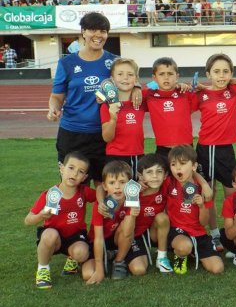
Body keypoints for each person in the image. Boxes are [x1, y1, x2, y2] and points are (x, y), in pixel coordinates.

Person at [48, 12, 140, 186]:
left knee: (104, 186)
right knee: (72, 187)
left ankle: (101, 214)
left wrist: (137, 87)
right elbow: (57, 96)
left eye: (103, 31)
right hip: (72, 133)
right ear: (83, 32)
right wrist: (54, 107)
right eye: (93, 30)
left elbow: (130, 78)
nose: (98, 35)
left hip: (104, 134)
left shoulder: (114, 61)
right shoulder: (67, 63)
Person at [196, 54, 236, 250]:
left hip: (227, 150)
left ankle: (232, 234)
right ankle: (214, 234)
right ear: (208, 74)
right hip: (206, 149)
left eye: (226, 71)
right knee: (209, 193)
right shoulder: (200, 95)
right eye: (216, 71)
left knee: (232, 194)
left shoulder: (234, 90)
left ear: (232, 74)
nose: (221, 75)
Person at [25, 152, 96, 289]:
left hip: (75, 236)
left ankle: (72, 259)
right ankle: (43, 269)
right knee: (49, 234)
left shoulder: (84, 192)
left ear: (84, 177)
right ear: (62, 168)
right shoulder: (50, 194)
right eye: (71, 168)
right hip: (54, 236)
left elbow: (101, 196)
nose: (74, 174)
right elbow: (28, 220)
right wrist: (40, 216)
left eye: (80, 172)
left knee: (82, 252)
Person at [165, 145, 224, 275]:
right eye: (173, 164)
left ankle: (192, 251)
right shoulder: (169, 183)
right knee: (184, 246)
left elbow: (203, 223)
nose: (178, 168)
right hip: (177, 231)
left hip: (198, 233)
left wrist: (202, 206)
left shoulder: (204, 190)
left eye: (183, 164)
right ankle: (180, 256)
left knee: (217, 268)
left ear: (194, 166)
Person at [82, 161, 134, 284]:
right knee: (87, 274)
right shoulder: (101, 205)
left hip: (118, 239)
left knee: (127, 226)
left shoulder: (132, 200)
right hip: (99, 240)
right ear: (105, 186)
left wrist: (133, 213)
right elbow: (98, 238)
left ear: (129, 184)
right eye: (112, 183)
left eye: (122, 182)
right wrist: (99, 270)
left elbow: (129, 231)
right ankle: (109, 254)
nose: (117, 187)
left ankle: (118, 261)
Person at [100, 58, 146, 179]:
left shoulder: (141, 100)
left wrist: (179, 85)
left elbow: (162, 91)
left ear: (136, 78)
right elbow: (107, 137)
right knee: (116, 192)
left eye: (130, 74)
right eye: (120, 74)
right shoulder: (106, 105)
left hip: (137, 155)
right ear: (112, 79)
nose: (125, 78)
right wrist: (113, 119)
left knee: (135, 192)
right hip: (115, 156)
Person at [144, 57, 199, 160]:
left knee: (189, 176)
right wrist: (136, 89)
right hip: (163, 149)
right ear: (154, 78)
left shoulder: (185, 93)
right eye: (161, 74)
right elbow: (132, 90)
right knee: (163, 176)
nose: (166, 77)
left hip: (186, 148)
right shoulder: (148, 95)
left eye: (170, 74)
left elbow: (207, 95)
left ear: (177, 76)